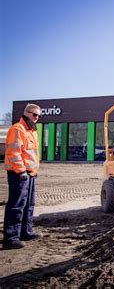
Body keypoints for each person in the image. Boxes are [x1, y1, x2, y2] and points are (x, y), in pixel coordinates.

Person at [3, 103, 42, 249]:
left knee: (29, 205)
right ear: (26, 113)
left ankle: (25, 231)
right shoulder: (17, 129)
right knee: (17, 205)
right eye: (34, 114)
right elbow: (14, 152)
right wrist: (20, 171)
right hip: (19, 174)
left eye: (38, 116)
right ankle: (11, 237)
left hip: (30, 174)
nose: (37, 118)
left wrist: (32, 172)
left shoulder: (31, 130)